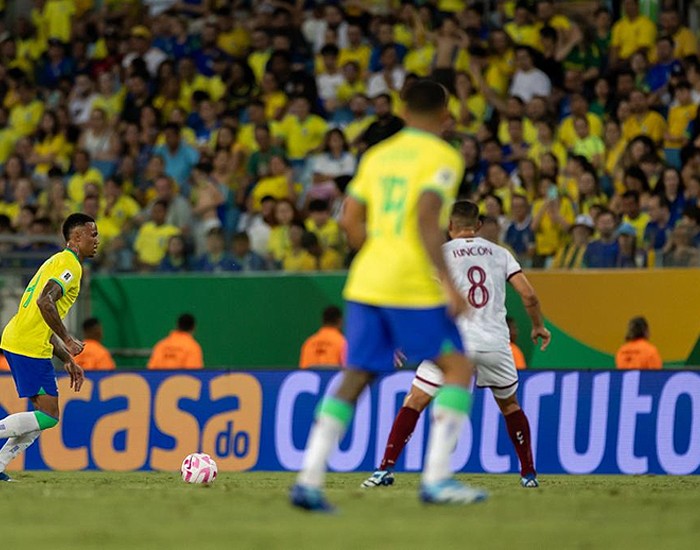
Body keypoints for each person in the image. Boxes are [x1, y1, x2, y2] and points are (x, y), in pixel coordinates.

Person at [291, 80, 486, 512]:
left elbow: (349, 218)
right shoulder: (443, 156)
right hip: (409, 281)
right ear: (445, 114)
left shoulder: (377, 155)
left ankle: (308, 480)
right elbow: (426, 216)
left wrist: (376, 252)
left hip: (366, 279)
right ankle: (436, 480)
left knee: (358, 374)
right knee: (457, 366)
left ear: (402, 110)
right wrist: (448, 281)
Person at [362, 201, 550, 490]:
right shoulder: (501, 254)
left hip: (455, 345)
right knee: (510, 406)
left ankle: (383, 469)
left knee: (415, 400)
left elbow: (415, 298)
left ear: (450, 227)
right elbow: (529, 295)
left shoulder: (440, 256)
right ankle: (529, 474)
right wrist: (537, 325)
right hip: (494, 344)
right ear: (477, 226)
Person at [0, 213, 98, 481]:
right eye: (93, 234)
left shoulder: (56, 260)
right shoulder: (71, 266)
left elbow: (41, 314)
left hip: (23, 339)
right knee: (50, 415)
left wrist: (67, 358)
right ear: (76, 237)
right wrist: (68, 338)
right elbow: (46, 302)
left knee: (43, 413)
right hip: (28, 345)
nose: (97, 240)